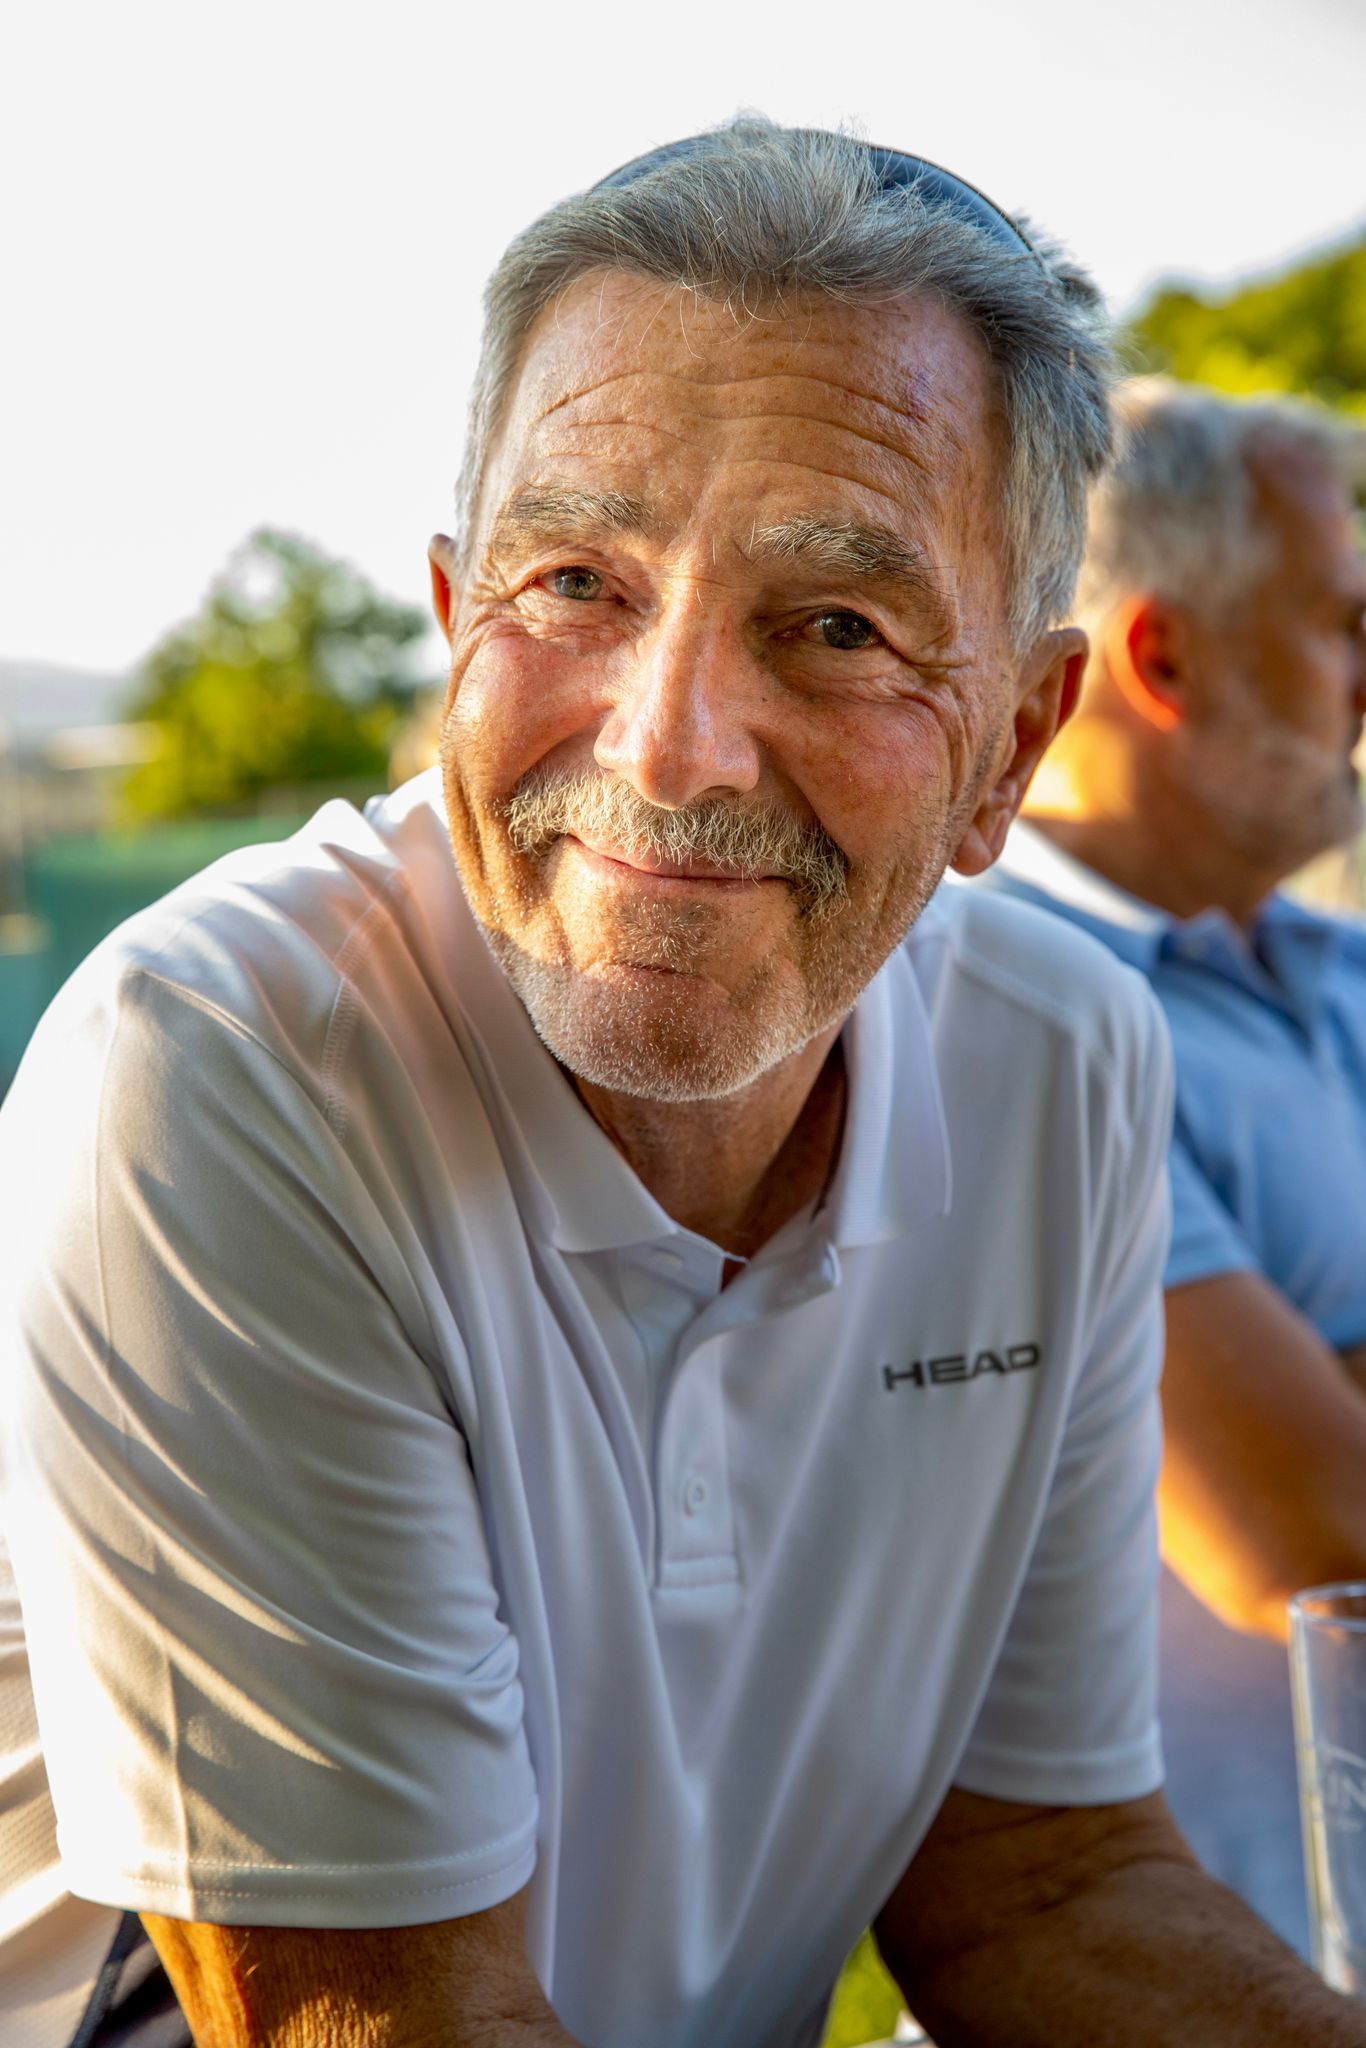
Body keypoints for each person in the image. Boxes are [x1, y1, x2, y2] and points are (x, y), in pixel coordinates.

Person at [1, 123, 1362, 2048]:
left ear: (1012, 749)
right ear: (458, 609)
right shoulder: (218, 1068)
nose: (669, 751)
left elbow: (1045, 1882)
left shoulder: (1060, 1061)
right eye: (575, 581)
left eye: (833, 628)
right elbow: (383, 2020)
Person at [979, 376, 1366, 1954]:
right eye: (1342, 623)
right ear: (1162, 656)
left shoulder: (1338, 969)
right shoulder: (989, 1011)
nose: (1365, 680)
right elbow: (1311, 1538)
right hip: (1234, 1980)